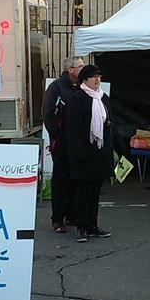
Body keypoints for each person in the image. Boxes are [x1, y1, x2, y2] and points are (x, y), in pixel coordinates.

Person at [65, 64, 113, 243]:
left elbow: (108, 124)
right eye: (94, 77)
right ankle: (82, 227)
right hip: (83, 153)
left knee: (95, 192)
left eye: (99, 76)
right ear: (85, 79)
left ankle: (93, 225)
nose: (97, 79)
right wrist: (78, 153)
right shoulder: (77, 99)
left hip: (99, 152)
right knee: (83, 192)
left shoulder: (103, 98)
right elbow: (73, 129)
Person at [43, 57, 84, 233]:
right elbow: (48, 113)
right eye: (80, 66)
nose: (83, 68)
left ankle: (73, 215)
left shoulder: (82, 86)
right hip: (61, 143)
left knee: (76, 179)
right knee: (60, 181)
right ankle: (57, 219)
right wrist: (57, 135)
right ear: (70, 70)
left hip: (79, 143)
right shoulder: (57, 87)